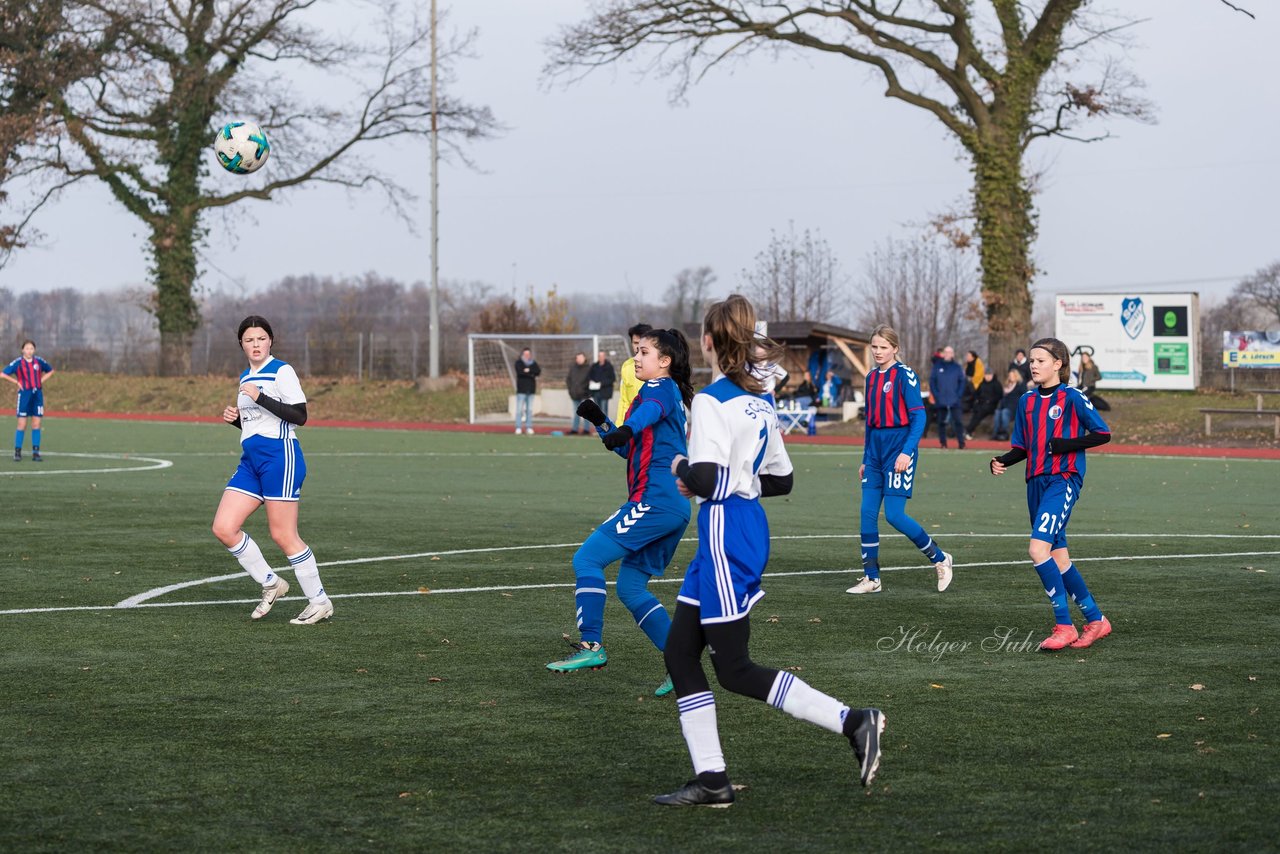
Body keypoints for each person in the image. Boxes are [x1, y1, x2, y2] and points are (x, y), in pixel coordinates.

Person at [655, 294, 884, 808]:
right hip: (744, 528)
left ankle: (853, 721)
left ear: (709, 341)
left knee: (734, 668)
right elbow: (781, 480)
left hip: (724, 534)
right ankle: (711, 779)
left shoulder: (713, 400)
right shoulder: (760, 402)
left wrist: (681, 473)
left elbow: (710, 480)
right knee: (679, 653)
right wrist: (729, 477)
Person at [548, 328, 694, 699]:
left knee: (587, 560)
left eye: (643, 352)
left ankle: (591, 646)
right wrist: (604, 425)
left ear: (665, 361)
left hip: (654, 502)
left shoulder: (660, 390)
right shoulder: (663, 395)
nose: (636, 359)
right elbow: (629, 450)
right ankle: (683, 667)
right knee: (630, 588)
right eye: (636, 352)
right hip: (672, 507)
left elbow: (646, 415)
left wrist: (627, 426)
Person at [989, 337, 1113, 651]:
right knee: (1058, 558)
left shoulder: (1072, 396)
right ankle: (1097, 619)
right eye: (1031, 361)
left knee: (1036, 549)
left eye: (1040, 360)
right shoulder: (1026, 401)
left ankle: (1064, 625)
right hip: (1035, 483)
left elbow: (1102, 433)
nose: (1034, 365)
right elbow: (1023, 446)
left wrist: (1066, 444)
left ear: (1058, 364)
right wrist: (1002, 460)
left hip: (1063, 480)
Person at [211, 315, 334, 625]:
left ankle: (320, 602)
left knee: (283, 534)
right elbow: (258, 421)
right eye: (250, 340)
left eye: (261, 339)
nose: (256, 344)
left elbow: (299, 416)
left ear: (271, 341)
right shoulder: (244, 376)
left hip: (281, 457)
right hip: (251, 461)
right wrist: (237, 420)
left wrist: (260, 397)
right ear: (241, 343)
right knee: (224, 528)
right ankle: (271, 582)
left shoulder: (282, 371)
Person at [846, 326, 954, 596]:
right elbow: (870, 423)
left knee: (894, 515)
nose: (878, 352)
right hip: (875, 453)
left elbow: (919, 417)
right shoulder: (870, 377)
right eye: (875, 346)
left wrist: (906, 452)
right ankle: (872, 578)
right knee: (866, 514)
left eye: (884, 347)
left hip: (898, 450)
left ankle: (940, 558)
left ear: (895, 348)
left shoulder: (905, 375)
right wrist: (864, 458)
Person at [3, 339, 55, 462]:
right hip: (24, 395)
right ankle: (17, 452)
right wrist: (16, 382)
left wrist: (41, 381)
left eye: (31, 348)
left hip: (37, 395)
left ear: (34, 350)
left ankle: (36, 453)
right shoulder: (18, 362)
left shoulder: (39, 361)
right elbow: (3, 374)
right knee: (22, 424)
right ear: (22, 350)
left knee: (36, 424)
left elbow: (51, 371)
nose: (29, 351)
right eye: (27, 348)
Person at [928, 345, 966, 449]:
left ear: (953, 354)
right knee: (941, 422)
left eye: (950, 352)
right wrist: (936, 395)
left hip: (955, 400)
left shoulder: (957, 367)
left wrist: (958, 395)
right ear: (943, 354)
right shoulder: (937, 366)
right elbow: (932, 381)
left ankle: (961, 443)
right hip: (941, 400)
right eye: (946, 352)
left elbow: (962, 382)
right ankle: (943, 443)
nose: (948, 354)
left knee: (958, 421)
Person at [615, 323, 653, 423]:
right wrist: (619, 427)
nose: (638, 347)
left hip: (651, 428)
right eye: (635, 343)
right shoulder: (627, 366)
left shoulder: (660, 366)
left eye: (641, 343)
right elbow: (624, 401)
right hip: (630, 427)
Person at [964, 369, 1002, 439]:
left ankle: (968, 430)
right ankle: (970, 431)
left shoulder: (997, 384)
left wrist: (990, 400)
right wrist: (977, 399)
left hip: (991, 406)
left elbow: (999, 396)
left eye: (989, 375)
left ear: (992, 375)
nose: (988, 377)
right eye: (986, 375)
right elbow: (976, 393)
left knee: (979, 413)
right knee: (976, 413)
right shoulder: (982, 383)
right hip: (981, 404)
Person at [990, 369, 1025, 441]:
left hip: (1014, 409)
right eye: (1010, 376)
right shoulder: (1007, 386)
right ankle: (995, 433)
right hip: (1005, 407)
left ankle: (1004, 433)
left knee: (1004, 412)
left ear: (1016, 376)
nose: (1011, 377)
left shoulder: (1020, 385)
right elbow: (1003, 398)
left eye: (1012, 376)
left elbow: (1024, 397)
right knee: (997, 412)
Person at [514, 347, 541, 435]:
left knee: (529, 410)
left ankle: (528, 427)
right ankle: (518, 427)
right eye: (525, 354)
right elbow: (520, 372)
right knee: (519, 410)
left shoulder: (533, 363)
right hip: (521, 390)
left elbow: (537, 371)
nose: (527, 355)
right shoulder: (519, 363)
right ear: (522, 354)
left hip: (531, 390)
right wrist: (531, 374)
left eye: (528, 354)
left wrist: (528, 371)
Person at [565, 352, 592, 435]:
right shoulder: (573, 368)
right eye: (578, 358)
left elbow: (592, 380)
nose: (579, 359)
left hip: (585, 394)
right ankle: (575, 429)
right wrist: (571, 390)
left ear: (584, 358)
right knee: (576, 412)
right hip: (574, 394)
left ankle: (586, 429)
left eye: (581, 358)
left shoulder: (589, 368)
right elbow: (568, 380)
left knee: (586, 413)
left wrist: (587, 391)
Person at [587, 350, 616, 414]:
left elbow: (612, 379)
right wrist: (591, 381)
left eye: (602, 356)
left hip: (605, 392)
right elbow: (589, 376)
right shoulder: (594, 366)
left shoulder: (609, 366)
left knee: (604, 411)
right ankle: (598, 424)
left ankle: (604, 424)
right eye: (599, 356)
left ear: (605, 356)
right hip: (595, 392)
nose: (601, 357)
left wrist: (601, 384)